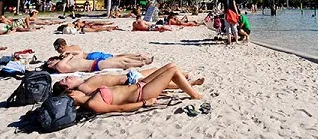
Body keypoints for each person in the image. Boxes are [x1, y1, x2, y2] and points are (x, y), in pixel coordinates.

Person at [65, 63, 203, 113]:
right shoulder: (93, 103)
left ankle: (190, 85)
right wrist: (144, 103)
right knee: (173, 71)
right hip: (142, 94)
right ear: (71, 95)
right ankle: (194, 95)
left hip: (138, 86)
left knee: (170, 66)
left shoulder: (89, 94)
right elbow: (119, 108)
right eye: (72, 92)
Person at [53, 68, 205, 96]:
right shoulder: (84, 87)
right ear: (67, 87)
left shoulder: (83, 81)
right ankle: (190, 84)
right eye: (66, 80)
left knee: (157, 69)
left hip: (129, 75)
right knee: (163, 80)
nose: (68, 77)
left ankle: (185, 76)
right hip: (130, 81)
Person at [43, 51, 154, 73]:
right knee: (122, 63)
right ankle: (142, 63)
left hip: (96, 62)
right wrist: (68, 56)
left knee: (121, 59)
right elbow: (61, 64)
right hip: (94, 66)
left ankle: (144, 60)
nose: (54, 61)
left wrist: (69, 52)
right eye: (51, 62)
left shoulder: (66, 62)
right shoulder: (60, 66)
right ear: (50, 65)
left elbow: (80, 53)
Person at [53, 38, 149, 61]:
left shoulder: (67, 52)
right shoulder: (74, 46)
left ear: (61, 46)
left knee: (118, 58)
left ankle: (138, 57)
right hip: (93, 54)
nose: (57, 50)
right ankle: (137, 56)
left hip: (91, 58)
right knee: (117, 56)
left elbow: (79, 54)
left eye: (56, 48)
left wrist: (65, 54)